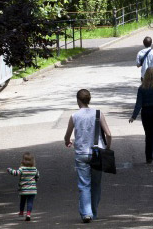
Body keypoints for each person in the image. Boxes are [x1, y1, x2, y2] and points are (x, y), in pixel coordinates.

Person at [63, 89, 112, 223]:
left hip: (81, 154)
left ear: (78, 100)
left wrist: (68, 141)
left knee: (84, 185)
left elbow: (67, 135)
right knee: (96, 184)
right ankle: (94, 213)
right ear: (89, 100)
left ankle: (86, 213)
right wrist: (107, 148)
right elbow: (109, 134)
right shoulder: (98, 113)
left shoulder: (74, 116)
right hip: (97, 153)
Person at [6, 152, 40, 221]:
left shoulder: (22, 169)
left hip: (24, 189)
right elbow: (37, 176)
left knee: (23, 201)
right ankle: (28, 214)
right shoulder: (35, 169)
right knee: (30, 202)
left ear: (23, 161)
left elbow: (15, 173)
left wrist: (9, 170)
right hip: (32, 189)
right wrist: (35, 180)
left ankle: (21, 212)